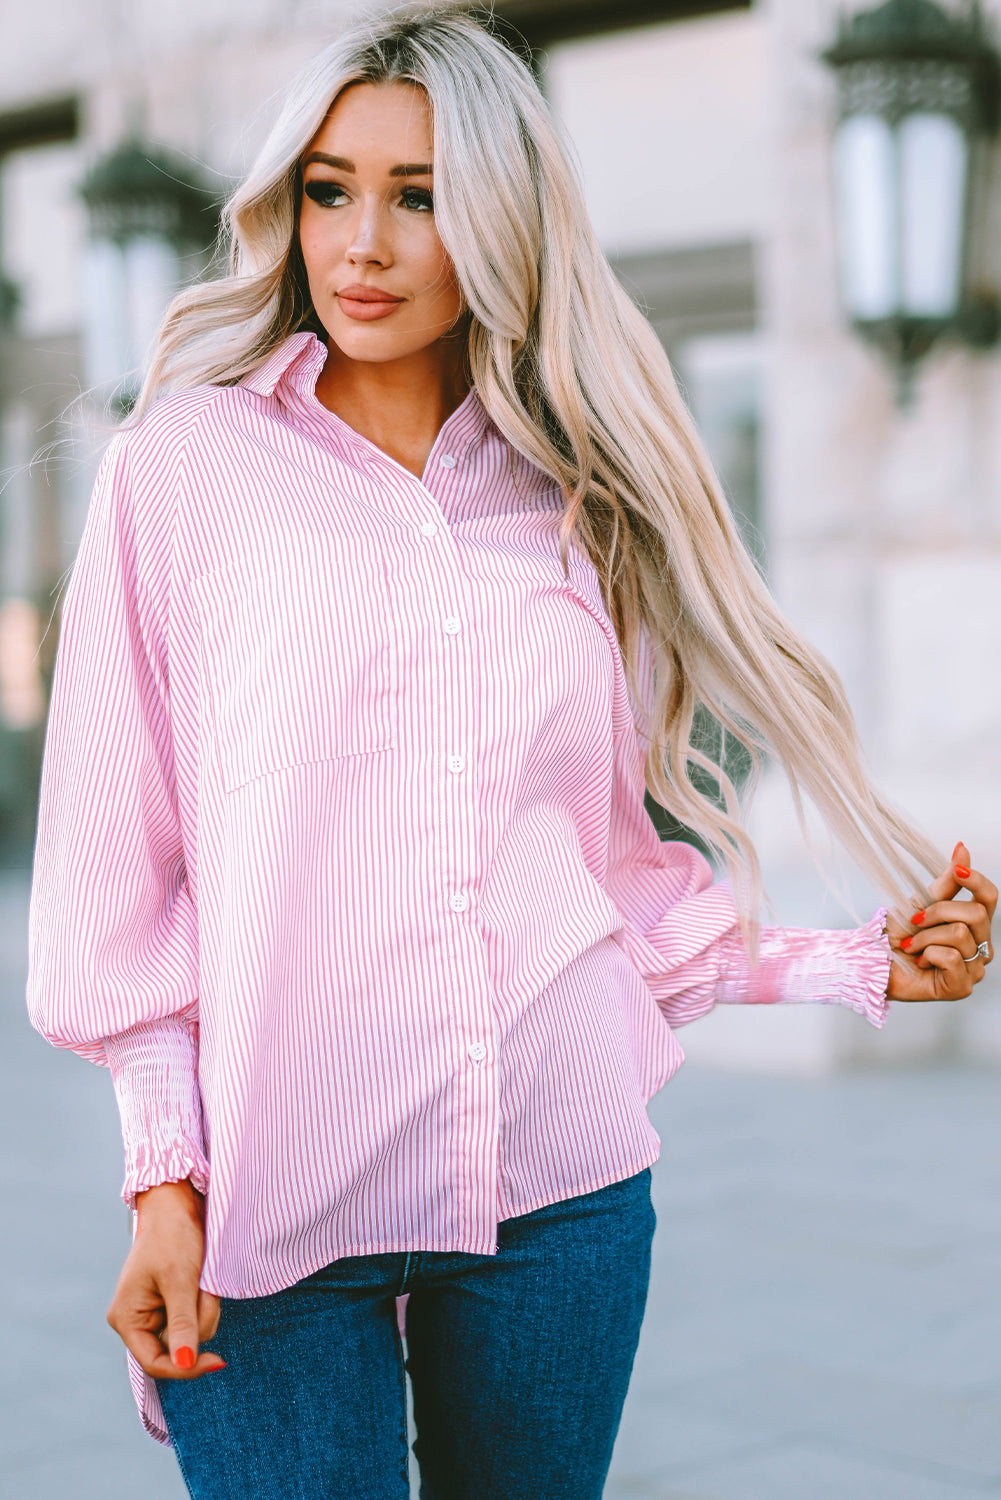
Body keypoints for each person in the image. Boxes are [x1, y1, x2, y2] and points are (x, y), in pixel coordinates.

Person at [27, 8, 995, 1499]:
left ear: (500, 214)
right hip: (268, 1211)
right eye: (328, 187)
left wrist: (852, 963)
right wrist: (162, 1183)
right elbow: (122, 882)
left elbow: (592, 884)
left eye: (417, 195)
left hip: (554, 1192)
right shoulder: (182, 473)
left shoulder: (574, 504)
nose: (361, 241)